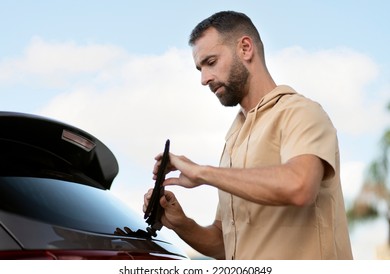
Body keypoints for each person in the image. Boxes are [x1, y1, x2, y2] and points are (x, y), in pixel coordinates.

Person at [143, 11, 353, 260]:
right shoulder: (234, 139)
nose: (203, 79)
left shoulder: (300, 112)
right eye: (200, 68)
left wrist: (203, 173)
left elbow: (300, 186)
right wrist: (180, 223)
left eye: (210, 62)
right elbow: (226, 243)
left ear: (245, 48)